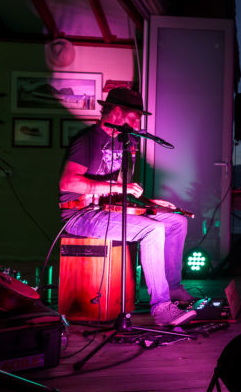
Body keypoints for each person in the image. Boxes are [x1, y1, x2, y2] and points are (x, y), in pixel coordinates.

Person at [58, 87, 196, 326]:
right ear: (118, 112)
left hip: (108, 211)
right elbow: (68, 181)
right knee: (153, 230)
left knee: (175, 221)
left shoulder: (127, 142)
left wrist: (151, 204)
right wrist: (115, 188)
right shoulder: (87, 140)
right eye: (135, 116)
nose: (137, 122)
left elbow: (122, 188)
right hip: (80, 214)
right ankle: (161, 309)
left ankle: (172, 289)